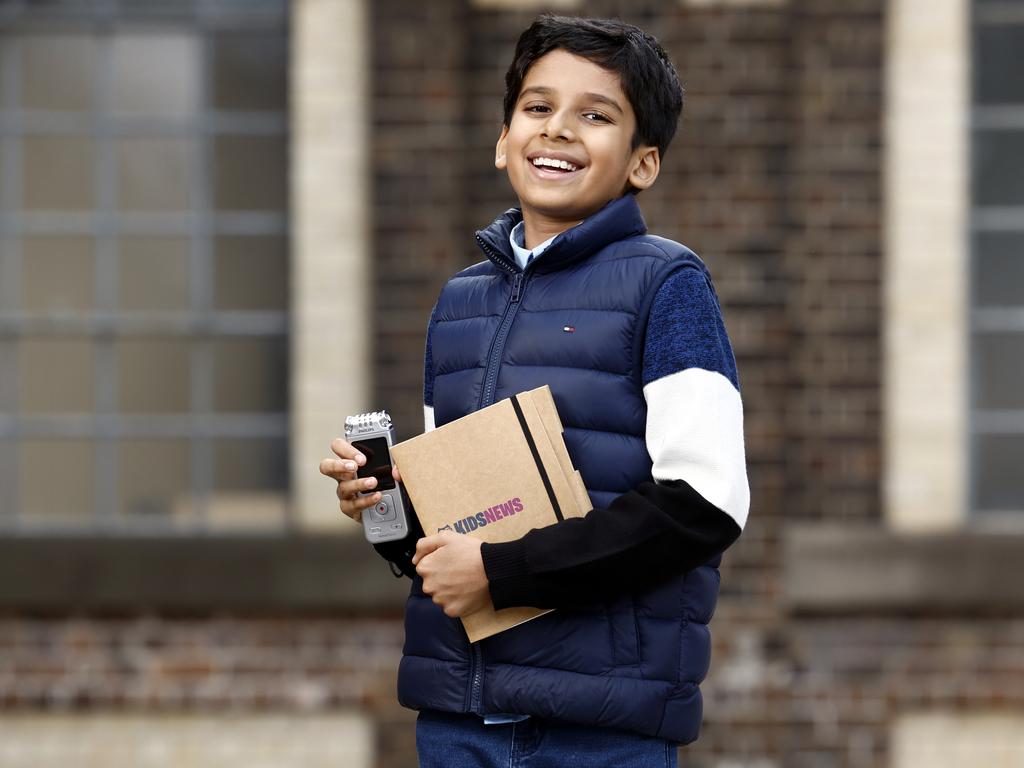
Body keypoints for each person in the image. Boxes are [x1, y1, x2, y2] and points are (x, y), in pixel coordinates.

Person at [320, 14, 749, 768]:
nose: (559, 130)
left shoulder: (669, 286)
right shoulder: (459, 303)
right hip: (459, 719)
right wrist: (382, 502)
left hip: (599, 729)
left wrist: (498, 570)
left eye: (596, 114)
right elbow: (445, 532)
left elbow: (703, 506)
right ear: (503, 138)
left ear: (643, 163)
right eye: (538, 108)